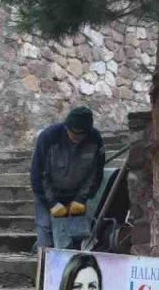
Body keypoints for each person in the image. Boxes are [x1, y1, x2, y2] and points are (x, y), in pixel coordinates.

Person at [30, 106, 106, 249]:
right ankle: (43, 260)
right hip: (47, 193)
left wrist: (81, 199)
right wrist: (51, 203)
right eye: (73, 133)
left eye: (80, 135)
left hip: (75, 195)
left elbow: (95, 174)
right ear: (66, 127)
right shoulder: (48, 137)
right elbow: (38, 174)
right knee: (45, 230)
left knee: (76, 235)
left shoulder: (95, 140)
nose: (76, 137)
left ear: (87, 132)